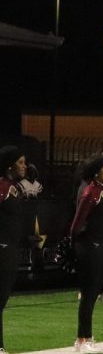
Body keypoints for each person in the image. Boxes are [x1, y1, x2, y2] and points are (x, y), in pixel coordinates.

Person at [69, 154, 103, 353]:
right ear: (96, 171)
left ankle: (86, 336)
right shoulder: (90, 192)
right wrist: (78, 244)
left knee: (92, 294)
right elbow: (77, 224)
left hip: (99, 245)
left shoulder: (100, 191)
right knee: (88, 294)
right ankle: (82, 338)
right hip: (89, 247)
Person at [0, 146, 26, 354]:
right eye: (20, 162)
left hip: (11, 247)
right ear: (9, 166)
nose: (24, 166)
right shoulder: (2, 186)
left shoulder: (13, 187)